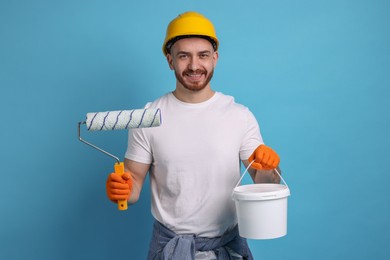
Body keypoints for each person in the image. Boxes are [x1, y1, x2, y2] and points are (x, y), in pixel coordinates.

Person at [106, 11, 281, 260]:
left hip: (228, 248)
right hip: (170, 248)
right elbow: (133, 183)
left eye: (203, 55)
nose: (194, 65)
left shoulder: (239, 116)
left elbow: (266, 184)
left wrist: (269, 168)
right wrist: (121, 189)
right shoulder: (148, 117)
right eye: (184, 56)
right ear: (170, 60)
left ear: (215, 58)